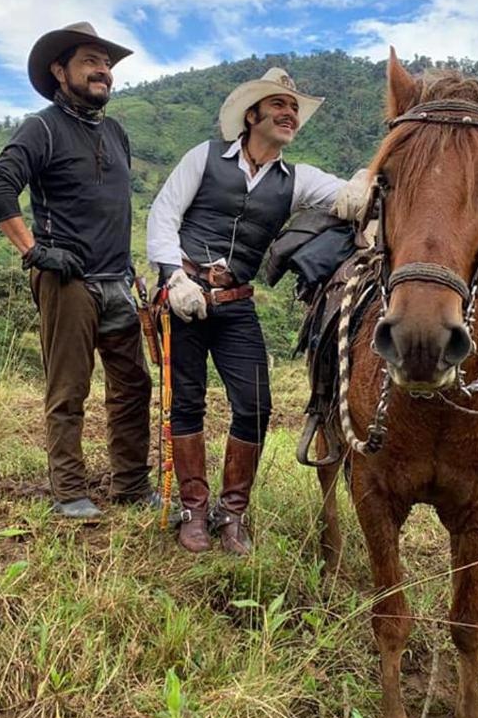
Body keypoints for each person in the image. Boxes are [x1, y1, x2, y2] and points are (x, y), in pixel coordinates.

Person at [147, 67, 368, 554]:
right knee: (186, 403)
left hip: (235, 302)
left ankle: (233, 513)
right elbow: (164, 215)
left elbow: (348, 198)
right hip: (185, 296)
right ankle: (194, 512)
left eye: (294, 110)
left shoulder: (297, 179)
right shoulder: (203, 157)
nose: (290, 115)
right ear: (252, 116)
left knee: (255, 405)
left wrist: (367, 181)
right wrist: (173, 277)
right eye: (279, 107)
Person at [0, 22, 153, 519]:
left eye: (107, 64)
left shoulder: (117, 132)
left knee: (132, 387)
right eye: (90, 62)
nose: (103, 71)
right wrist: (35, 251)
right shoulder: (42, 127)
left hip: (117, 279)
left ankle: (130, 486)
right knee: (69, 388)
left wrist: (131, 268)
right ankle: (70, 492)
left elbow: (112, 208)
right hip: (69, 279)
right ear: (60, 71)